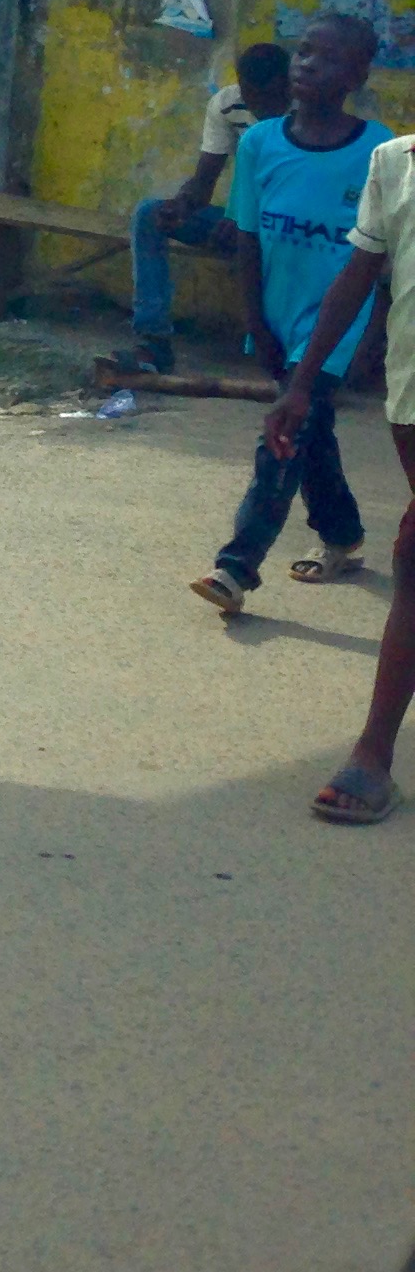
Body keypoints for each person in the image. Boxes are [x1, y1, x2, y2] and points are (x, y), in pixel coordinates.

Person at [189, 16, 388, 618]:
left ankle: (236, 567)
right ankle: (343, 536)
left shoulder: (380, 154)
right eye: (304, 53)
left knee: (285, 431)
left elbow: (387, 260)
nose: (306, 65)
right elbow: (248, 241)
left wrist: (373, 339)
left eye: (327, 59)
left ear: (356, 75)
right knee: (309, 430)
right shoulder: (260, 144)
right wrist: (256, 324)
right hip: (277, 321)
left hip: (336, 330)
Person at [262, 118, 415, 823]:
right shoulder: (396, 161)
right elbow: (359, 274)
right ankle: (373, 754)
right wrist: (302, 382)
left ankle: (372, 753)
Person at [117, 40, 293, 376]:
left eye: (267, 97)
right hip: (239, 221)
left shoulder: (308, 113)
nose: (258, 106)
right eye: (250, 95)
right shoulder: (227, 104)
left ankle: (291, 353)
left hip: (288, 228)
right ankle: (154, 342)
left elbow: (302, 196)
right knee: (149, 216)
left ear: (286, 85)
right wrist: (181, 204)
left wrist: (243, 219)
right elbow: (204, 180)